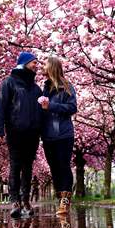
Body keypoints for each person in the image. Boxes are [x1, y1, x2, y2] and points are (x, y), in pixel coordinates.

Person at [0, 51, 43, 218]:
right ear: (24, 63)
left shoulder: (36, 88)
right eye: (33, 62)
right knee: (15, 165)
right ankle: (14, 201)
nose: (37, 65)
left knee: (28, 167)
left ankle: (26, 200)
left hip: (33, 133)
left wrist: (41, 130)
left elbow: (40, 112)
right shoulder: (9, 83)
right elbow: (1, 105)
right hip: (15, 131)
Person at [39, 57, 77, 216]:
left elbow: (72, 107)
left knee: (63, 166)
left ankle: (65, 202)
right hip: (47, 136)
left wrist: (51, 106)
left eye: (45, 64)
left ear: (52, 67)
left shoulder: (67, 87)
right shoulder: (44, 88)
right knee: (54, 169)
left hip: (63, 134)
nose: (42, 67)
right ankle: (60, 198)